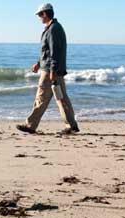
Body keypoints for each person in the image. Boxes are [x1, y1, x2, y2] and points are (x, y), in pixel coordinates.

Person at [16, 3, 80, 135]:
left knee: (41, 97)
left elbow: (54, 52)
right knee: (61, 98)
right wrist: (39, 63)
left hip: (50, 71)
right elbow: (48, 51)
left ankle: (31, 125)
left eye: (40, 15)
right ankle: (72, 125)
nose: (39, 17)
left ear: (45, 13)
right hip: (53, 69)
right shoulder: (54, 28)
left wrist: (52, 71)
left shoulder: (53, 30)